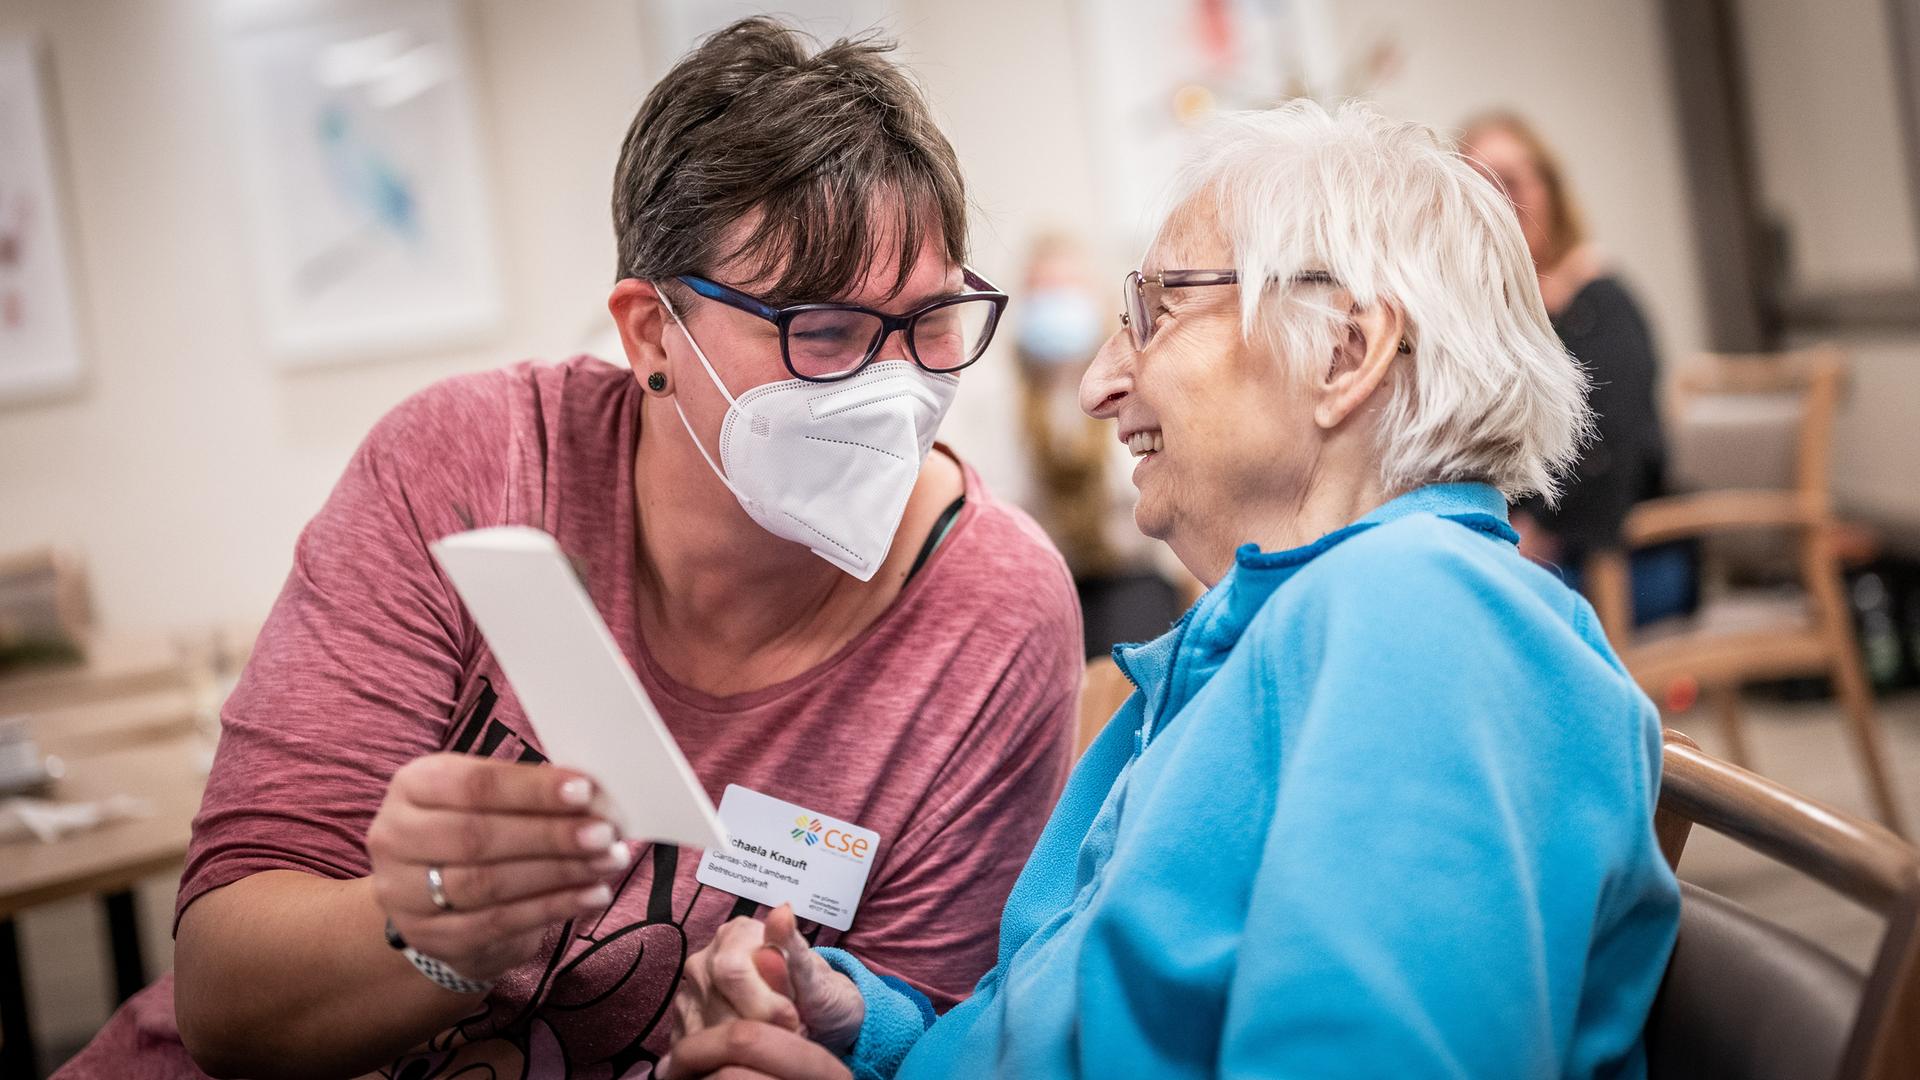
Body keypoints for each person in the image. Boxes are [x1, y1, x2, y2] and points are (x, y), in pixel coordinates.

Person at [61, 19, 1079, 1080]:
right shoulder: (478, 468)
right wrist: (443, 931)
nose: (893, 386)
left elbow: (928, 1039)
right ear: (650, 333)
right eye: (821, 331)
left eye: (932, 323)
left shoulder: (990, 614)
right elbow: (226, 997)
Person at [663, 101, 1682, 1080]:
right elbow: (1080, 1008)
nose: (1101, 382)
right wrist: (863, 1031)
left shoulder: (1427, 623)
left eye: (1158, 311)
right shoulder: (1268, 631)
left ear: (1347, 351)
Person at [1461, 112, 1693, 624]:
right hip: (1526, 549)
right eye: (1482, 184)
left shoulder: (1599, 300)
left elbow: (1609, 445)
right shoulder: (1478, 316)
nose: (1502, 199)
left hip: (1620, 561)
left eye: (1515, 180)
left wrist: (1534, 535)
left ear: (1549, 191)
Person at [1013, 232, 1193, 658]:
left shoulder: (1138, 383)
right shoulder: (1005, 405)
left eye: (1067, 291)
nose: (1056, 307)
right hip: (1055, 583)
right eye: (1044, 294)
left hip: (1133, 579)